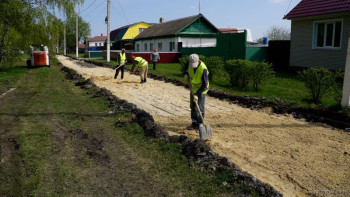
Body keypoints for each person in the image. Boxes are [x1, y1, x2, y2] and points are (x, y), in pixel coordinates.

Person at [184, 54, 209, 130]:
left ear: (198, 61)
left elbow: (205, 84)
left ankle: (200, 125)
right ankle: (194, 123)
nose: (193, 66)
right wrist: (185, 73)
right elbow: (186, 67)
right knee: (193, 106)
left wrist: (197, 94)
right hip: (193, 88)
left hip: (201, 90)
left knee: (200, 108)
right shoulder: (190, 62)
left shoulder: (203, 69)